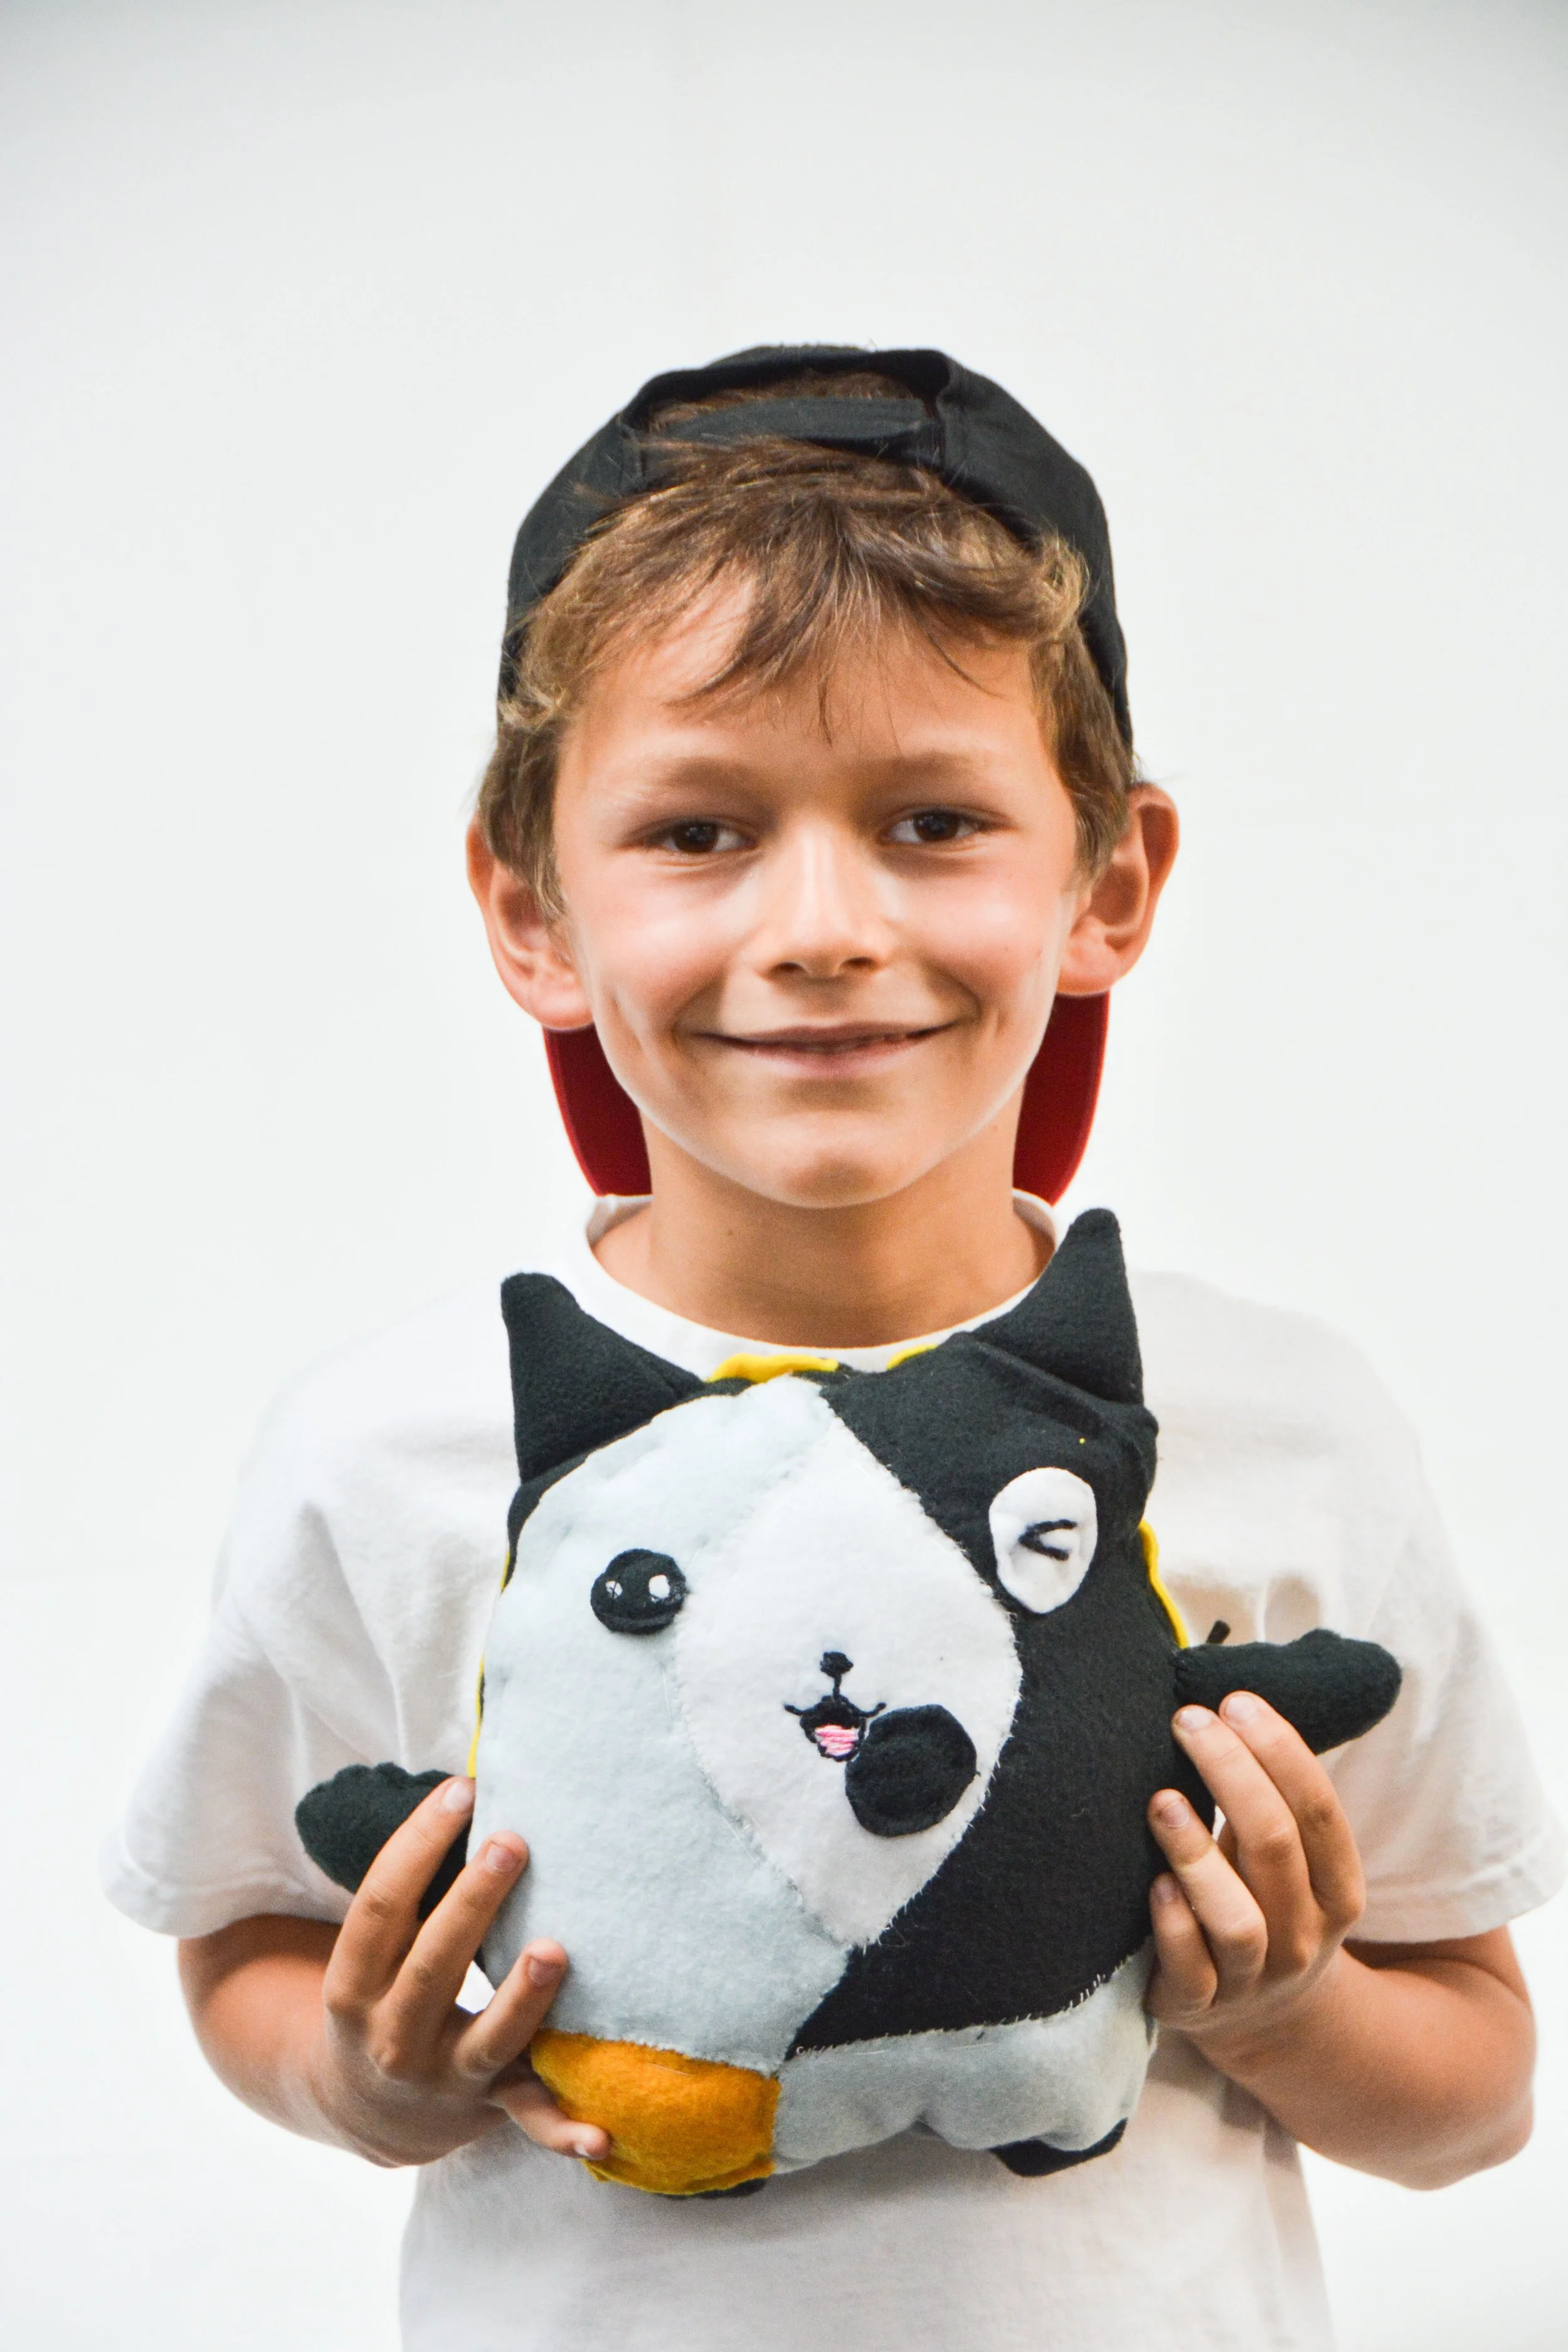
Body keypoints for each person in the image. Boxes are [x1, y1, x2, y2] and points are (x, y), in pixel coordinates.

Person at [103, 347, 1562, 2351]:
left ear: (1106, 881)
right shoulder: (388, 1453)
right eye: (699, 831)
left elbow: (1478, 2077)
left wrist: (1292, 2002)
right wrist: (359, 2081)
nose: (819, 923)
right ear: (529, 908)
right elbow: (248, 1931)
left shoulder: (1276, 1424)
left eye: (932, 818)